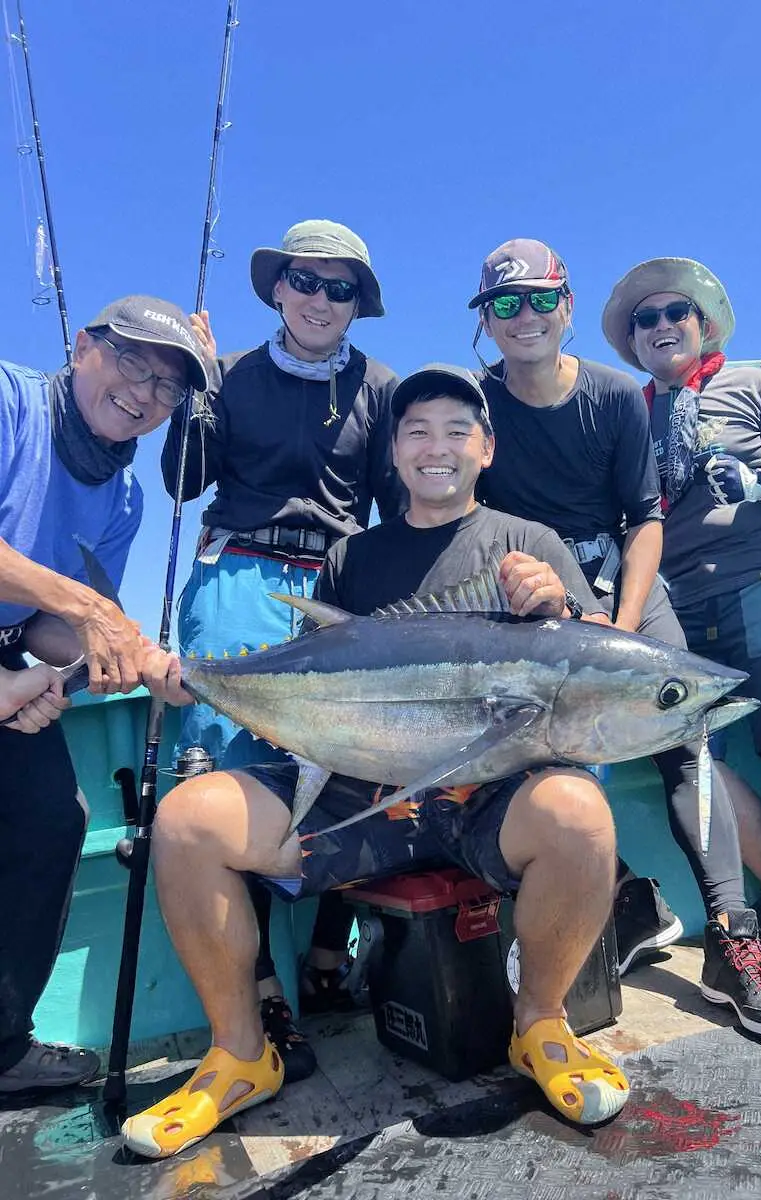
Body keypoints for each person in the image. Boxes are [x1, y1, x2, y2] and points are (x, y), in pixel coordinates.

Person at [122, 364, 632, 1159]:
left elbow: (593, 656)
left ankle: (541, 1025)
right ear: (392, 452)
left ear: (486, 449)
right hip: (367, 800)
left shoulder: (528, 543)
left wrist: (559, 607)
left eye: (457, 431)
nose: (437, 447)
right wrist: (198, 682)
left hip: (487, 800)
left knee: (578, 812)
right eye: (417, 431)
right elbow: (318, 688)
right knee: (189, 819)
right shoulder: (352, 557)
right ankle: (241, 1052)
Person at [470, 239, 761, 1035]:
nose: (525, 318)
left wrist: (617, 635)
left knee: (685, 737)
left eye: (541, 300)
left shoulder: (617, 397)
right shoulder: (475, 404)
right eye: (504, 304)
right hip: (531, 599)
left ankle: (733, 939)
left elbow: (644, 522)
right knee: (529, 753)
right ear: (486, 322)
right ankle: (624, 898)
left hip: (624, 590)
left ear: (566, 307)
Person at [161, 220, 406, 1080]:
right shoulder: (227, 378)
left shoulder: (381, 388)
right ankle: (265, 1000)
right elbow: (185, 483)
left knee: (350, 769)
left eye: (340, 289)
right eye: (305, 280)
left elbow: (398, 505)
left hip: (337, 591)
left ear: (357, 307)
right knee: (231, 781)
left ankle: (329, 960)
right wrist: (195, 390)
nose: (318, 299)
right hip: (235, 581)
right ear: (277, 288)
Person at [602, 258, 761, 992]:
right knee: (687, 749)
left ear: (702, 324)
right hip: (675, 599)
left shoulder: (756, 385)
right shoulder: (627, 414)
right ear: (635, 340)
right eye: (646, 319)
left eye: (677, 313)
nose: (662, 326)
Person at [0, 296, 206, 1092]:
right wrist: (89, 610)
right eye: (132, 363)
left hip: (11, 656)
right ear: (81, 345)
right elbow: (77, 605)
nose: (145, 393)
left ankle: (5, 1044)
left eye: (168, 387)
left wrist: (132, 658)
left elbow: (57, 629)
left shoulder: (124, 498)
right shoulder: (11, 401)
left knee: (56, 818)